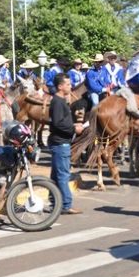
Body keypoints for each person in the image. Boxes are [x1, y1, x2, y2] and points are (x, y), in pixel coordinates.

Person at [49, 73, 83, 215]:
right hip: (60, 143)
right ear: (60, 86)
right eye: (68, 84)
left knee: (56, 175)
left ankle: (55, 202)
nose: (70, 86)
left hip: (60, 142)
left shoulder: (61, 101)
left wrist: (73, 124)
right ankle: (66, 204)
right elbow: (58, 123)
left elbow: (61, 121)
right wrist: (74, 129)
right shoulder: (57, 102)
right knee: (63, 175)